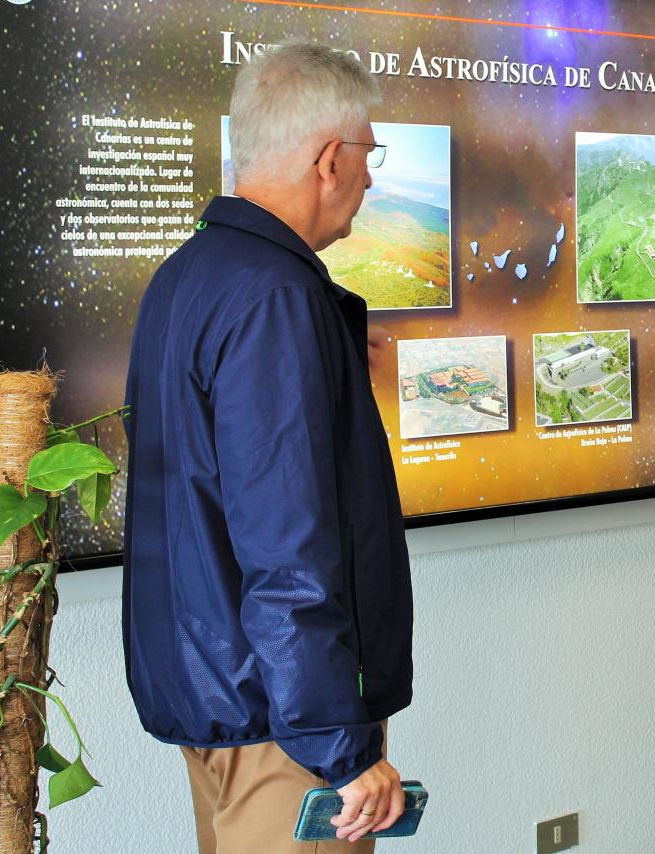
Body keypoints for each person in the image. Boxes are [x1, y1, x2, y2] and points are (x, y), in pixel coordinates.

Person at [123, 43, 413, 852]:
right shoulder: (274, 296)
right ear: (329, 159)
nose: (370, 177)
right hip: (284, 728)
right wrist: (338, 744)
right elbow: (285, 542)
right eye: (367, 154)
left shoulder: (188, 275)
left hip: (219, 704)